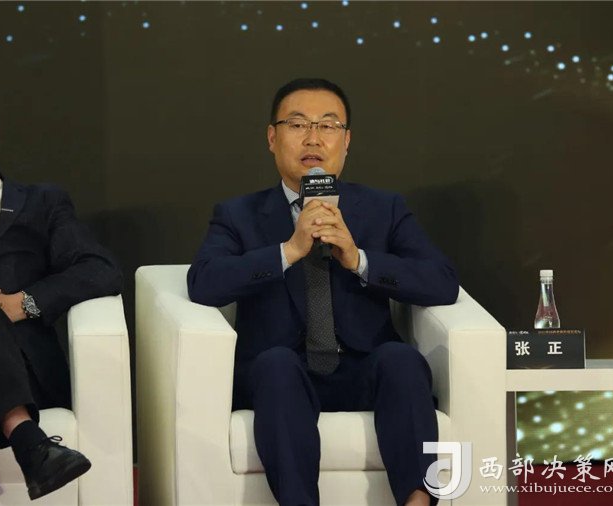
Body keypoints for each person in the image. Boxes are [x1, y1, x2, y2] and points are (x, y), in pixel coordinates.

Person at [187, 78, 459, 506]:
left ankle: (418, 500)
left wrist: (359, 259)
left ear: (346, 141)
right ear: (272, 138)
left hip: (365, 369)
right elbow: (204, 282)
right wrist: (289, 251)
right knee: (276, 364)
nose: (313, 138)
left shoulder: (384, 208)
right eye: (297, 125)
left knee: (402, 359)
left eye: (328, 126)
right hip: (281, 377)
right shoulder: (238, 214)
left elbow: (441, 281)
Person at [0, 99, 123, 503]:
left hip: (21, 368)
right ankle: (28, 441)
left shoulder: (41, 203)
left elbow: (100, 269)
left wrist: (20, 303)